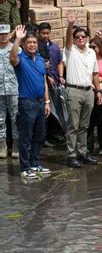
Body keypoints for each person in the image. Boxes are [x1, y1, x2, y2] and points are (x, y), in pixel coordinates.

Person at [9, 25, 51, 179]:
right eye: (29, 43)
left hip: (41, 103)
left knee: (39, 135)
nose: (32, 45)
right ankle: (25, 167)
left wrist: (47, 101)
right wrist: (18, 38)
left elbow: (44, 81)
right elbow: (12, 58)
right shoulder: (21, 60)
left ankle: (35, 164)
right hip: (26, 103)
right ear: (24, 45)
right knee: (26, 137)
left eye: (34, 42)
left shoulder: (40, 60)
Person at [63, 15, 102, 169]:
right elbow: (67, 38)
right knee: (73, 124)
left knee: (84, 125)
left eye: (82, 36)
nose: (80, 38)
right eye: (77, 37)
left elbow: (95, 74)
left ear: (87, 38)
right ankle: (71, 155)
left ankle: (83, 151)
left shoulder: (92, 53)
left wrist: (98, 90)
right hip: (74, 90)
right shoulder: (70, 50)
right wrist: (70, 24)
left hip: (89, 91)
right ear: (73, 39)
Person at [0, 24, 18, 158]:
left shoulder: (16, 49)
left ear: (9, 35)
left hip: (14, 88)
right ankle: (2, 146)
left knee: (15, 118)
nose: (3, 36)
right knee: (0, 119)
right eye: (1, 34)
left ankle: (16, 146)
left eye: (5, 34)